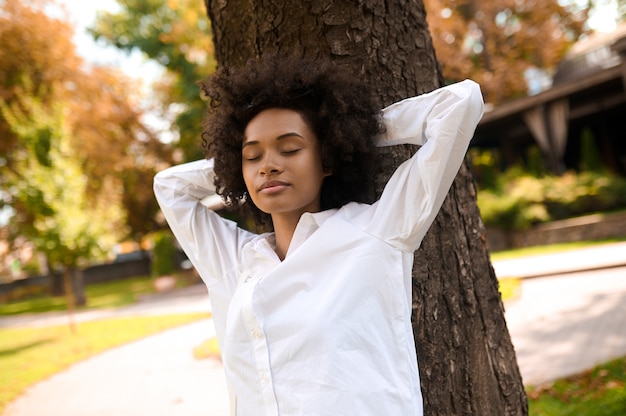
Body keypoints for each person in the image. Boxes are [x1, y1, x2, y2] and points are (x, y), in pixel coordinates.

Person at [153, 56, 484, 416]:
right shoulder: (235, 263)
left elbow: (460, 104)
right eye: (253, 156)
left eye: (291, 148)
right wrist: (233, 160)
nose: (268, 165)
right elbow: (169, 186)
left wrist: (355, 130)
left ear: (326, 158)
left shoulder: (375, 233)